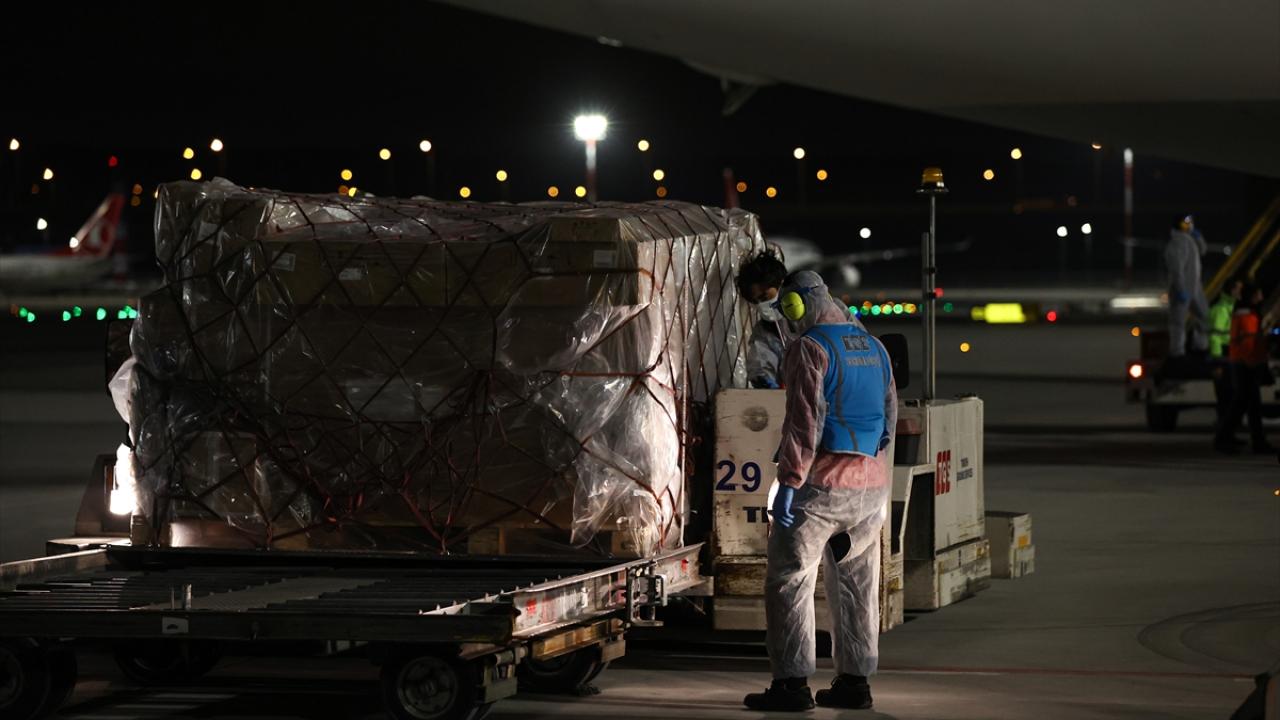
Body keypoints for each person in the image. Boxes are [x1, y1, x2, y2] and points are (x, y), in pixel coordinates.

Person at [743, 270, 896, 712]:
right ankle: (855, 683)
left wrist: (789, 483)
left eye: (788, 308)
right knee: (858, 586)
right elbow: (889, 415)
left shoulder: (810, 348)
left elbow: (803, 423)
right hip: (870, 488)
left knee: (790, 581)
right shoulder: (873, 346)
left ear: (798, 304)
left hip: (821, 489)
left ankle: (791, 686)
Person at [1221, 283, 1274, 453]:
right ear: (1251, 297)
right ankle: (1225, 438)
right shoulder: (1247, 317)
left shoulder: (1246, 315)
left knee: (1249, 404)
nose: (1261, 298)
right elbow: (1249, 344)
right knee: (1244, 403)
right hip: (1246, 365)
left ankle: (1251, 439)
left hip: (1245, 363)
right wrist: (1256, 364)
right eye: (1258, 294)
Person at [737, 250, 790, 388]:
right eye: (756, 301)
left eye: (765, 297)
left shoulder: (815, 314)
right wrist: (764, 381)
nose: (761, 305)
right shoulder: (765, 331)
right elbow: (761, 364)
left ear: (781, 285)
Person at [1164, 215, 1209, 357]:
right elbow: (1176, 269)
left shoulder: (1190, 240)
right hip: (1182, 289)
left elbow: (1203, 250)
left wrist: (1199, 237)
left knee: (1204, 317)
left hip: (1195, 288)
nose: (1189, 226)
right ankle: (1177, 353)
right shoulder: (1177, 242)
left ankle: (1200, 347)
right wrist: (1180, 289)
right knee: (1178, 322)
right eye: (1186, 223)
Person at [1210, 277, 1244, 452]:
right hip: (1222, 359)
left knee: (1230, 399)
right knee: (1226, 401)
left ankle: (1228, 436)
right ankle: (1223, 439)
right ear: (1232, 290)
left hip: (1228, 357)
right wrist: (1217, 363)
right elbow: (1215, 336)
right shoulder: (1221, 309)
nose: (1241, 292)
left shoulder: (1230, 308)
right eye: (1238, 289)